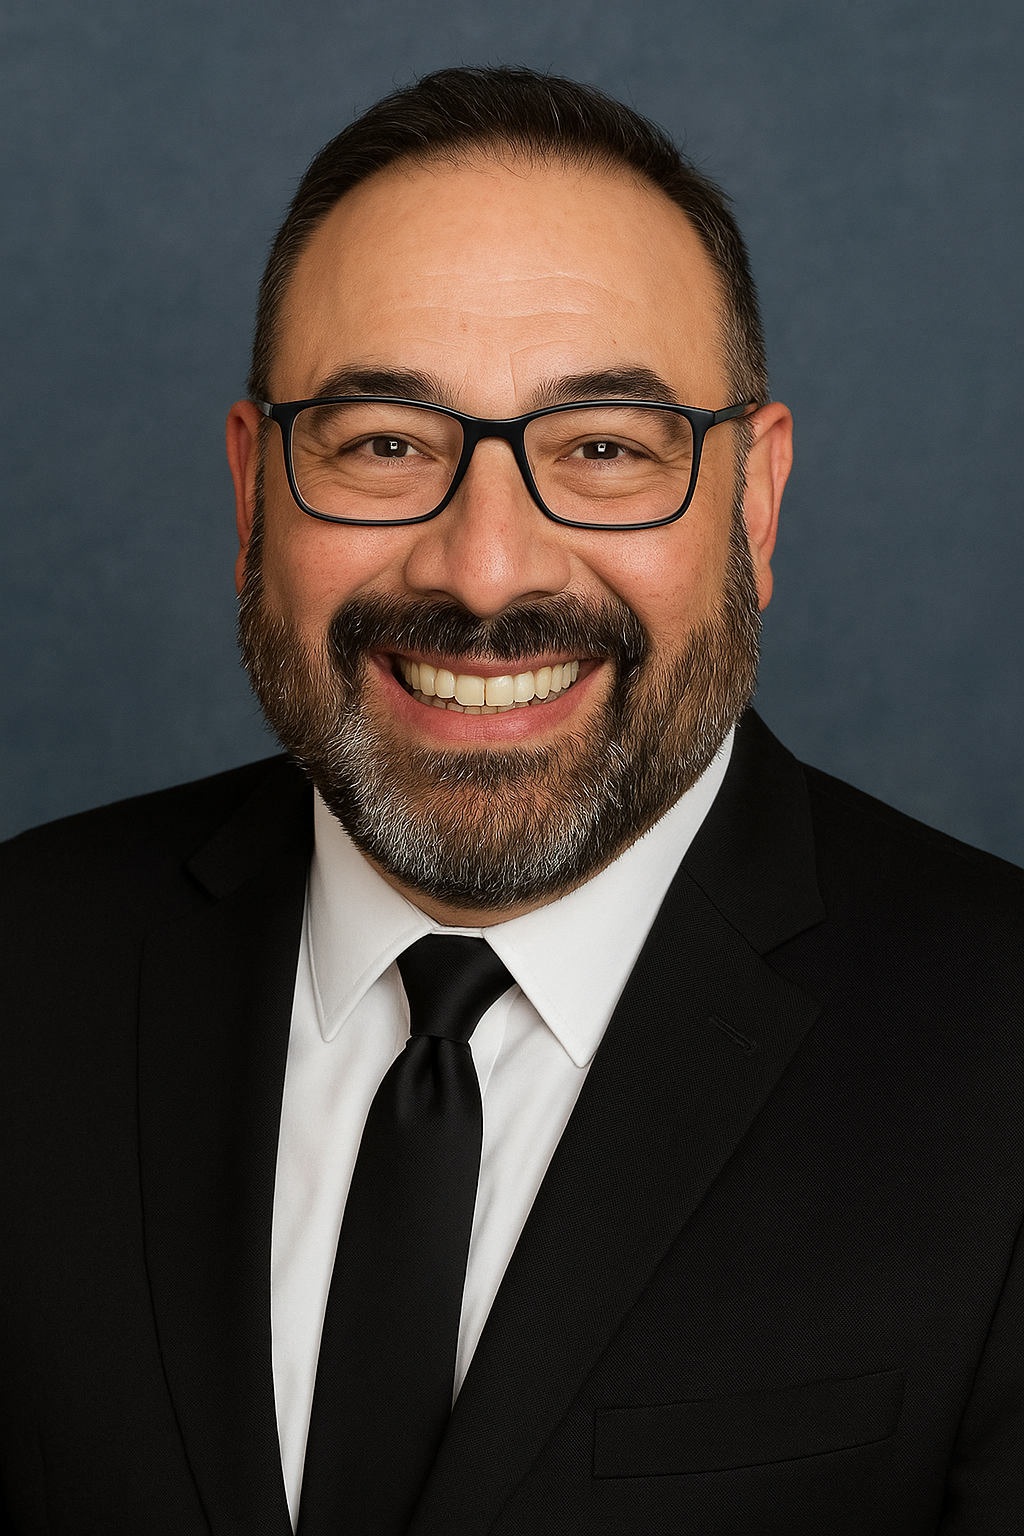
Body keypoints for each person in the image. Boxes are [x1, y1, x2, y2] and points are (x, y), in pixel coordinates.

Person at [1, 65, 1022, 1536]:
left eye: (603, 450)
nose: (484, 570)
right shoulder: (26, 966)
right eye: (384, 447)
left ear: (756, 500)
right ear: (251, 497)